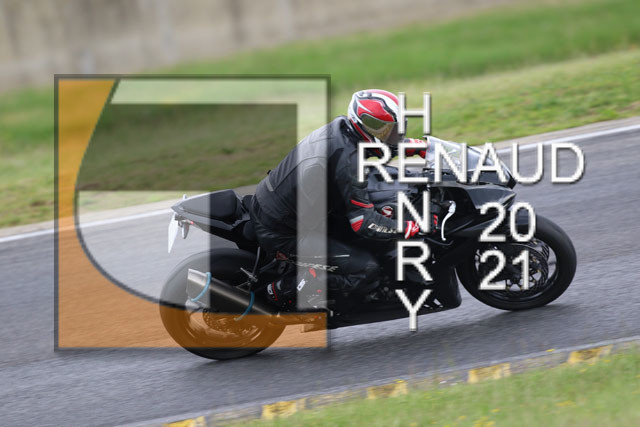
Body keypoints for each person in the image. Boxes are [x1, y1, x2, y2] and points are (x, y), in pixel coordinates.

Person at [249, 89, 429, 310]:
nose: (393, 134)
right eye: (388, 129)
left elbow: (381, 144)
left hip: (287, 208)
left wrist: (415, 146)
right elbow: (363, 222)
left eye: (397, 128)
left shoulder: (344, 129)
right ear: (365, 125)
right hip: (282, 231)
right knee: (365, 270)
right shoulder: (348, 159)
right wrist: (409, 227)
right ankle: (279, 290)